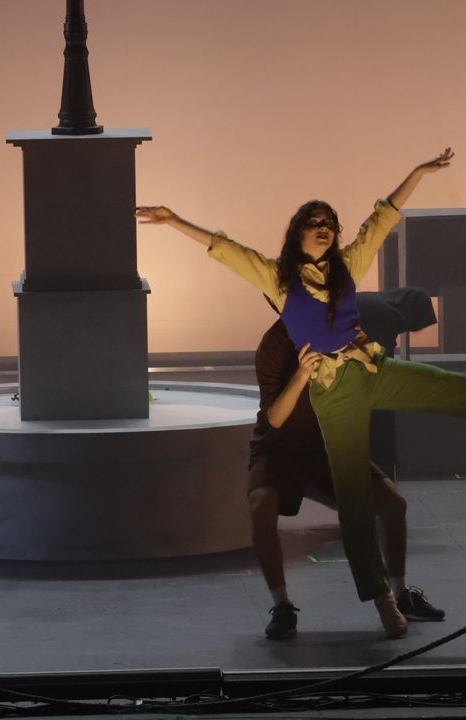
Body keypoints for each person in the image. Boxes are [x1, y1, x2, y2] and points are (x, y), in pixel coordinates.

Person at [135, 147, 459, 636]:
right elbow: (229, 250)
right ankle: (381, 602)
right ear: (298, 233)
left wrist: (418, 173)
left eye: (329, 222)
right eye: (314, 222)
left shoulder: (347, 266)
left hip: (370, 368)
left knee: (445, 386)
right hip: (331, 396)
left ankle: (393, 594)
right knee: (354, 501)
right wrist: (174, 219)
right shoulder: (280, 281)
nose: (323, 227)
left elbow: (382, 218)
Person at [249, 316, 443, 640]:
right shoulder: (274, 344)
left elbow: (372, 373)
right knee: (261, 506)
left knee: (393, 503)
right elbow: (276, 418)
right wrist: (301, 375)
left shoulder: (339, 329)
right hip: (279, 447)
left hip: (329, 445)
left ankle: (400, 594)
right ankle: (282, 606)